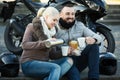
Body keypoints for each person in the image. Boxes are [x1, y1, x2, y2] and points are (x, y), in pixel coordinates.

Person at [20, 7, 73, 80]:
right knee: (56, 68)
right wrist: (45, 43)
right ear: (47, 17)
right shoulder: (31, 26)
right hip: (29, 63)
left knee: (69, 61)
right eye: (54, 20)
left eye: (57, 21)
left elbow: (52, 55)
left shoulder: (53, 32)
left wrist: (66, 52)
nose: (55, 23)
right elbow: (24, 45)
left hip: (44, 65)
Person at [54, 4, 102, 80]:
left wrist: (94, 39)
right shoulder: (55, 27)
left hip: (78, 59)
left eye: (72, 14)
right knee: (75, 76)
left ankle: (94, 77)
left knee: (94, 46)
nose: (71, 16)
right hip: (65, 61)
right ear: (60, 15)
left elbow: (98, 37)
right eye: (67, 14)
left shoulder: (79, 25)